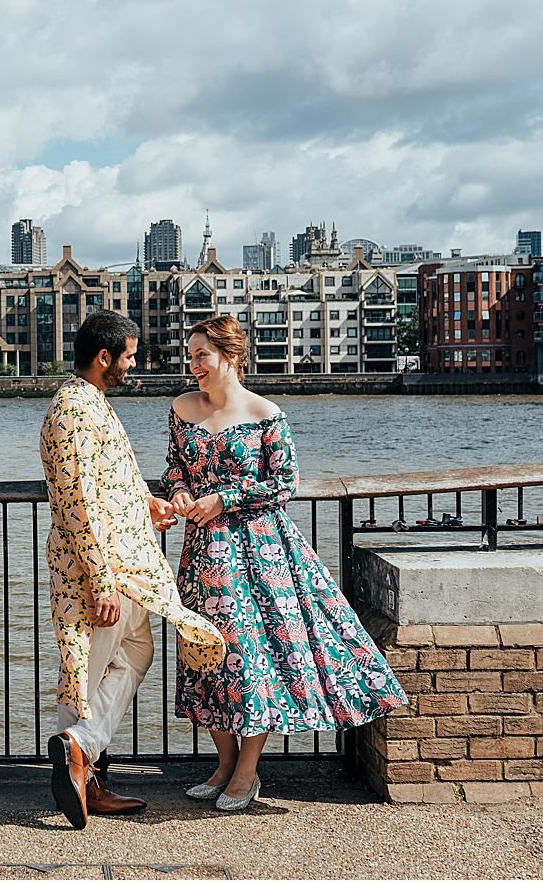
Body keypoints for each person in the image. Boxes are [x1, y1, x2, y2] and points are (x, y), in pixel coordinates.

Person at [163, 315, 407, 812]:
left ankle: (247, 773)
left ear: (230, 356)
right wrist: (182, 490)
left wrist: (224, 498)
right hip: (201, 552)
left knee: (252, 659)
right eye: (190, 356)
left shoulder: (264, 412)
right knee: (206, 654)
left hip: (258, 552)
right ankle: (224, 765)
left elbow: (285, 481)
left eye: (202, 356)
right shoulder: (181, 409)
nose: (194, 366)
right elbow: (174, 467)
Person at [39, 310, 226, 830]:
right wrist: (100, 582)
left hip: (123, 565)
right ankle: (79, 753)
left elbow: (111, 479)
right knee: (88, 672)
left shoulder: (89, 404)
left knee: (122, 657)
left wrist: (148, 502)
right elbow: (77, 502)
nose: (134, 364)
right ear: (104, 358)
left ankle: (81, 762)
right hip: (103, 573)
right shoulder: (72, 412)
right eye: (129, 355)